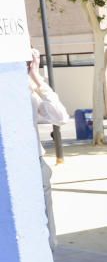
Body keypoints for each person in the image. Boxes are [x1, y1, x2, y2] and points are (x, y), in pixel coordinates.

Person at [27, 48, 69, 250]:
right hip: (20, 168)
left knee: (47, 237)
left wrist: (37, 80)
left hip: (36, 164)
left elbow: (60, 116)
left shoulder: (29, 89)